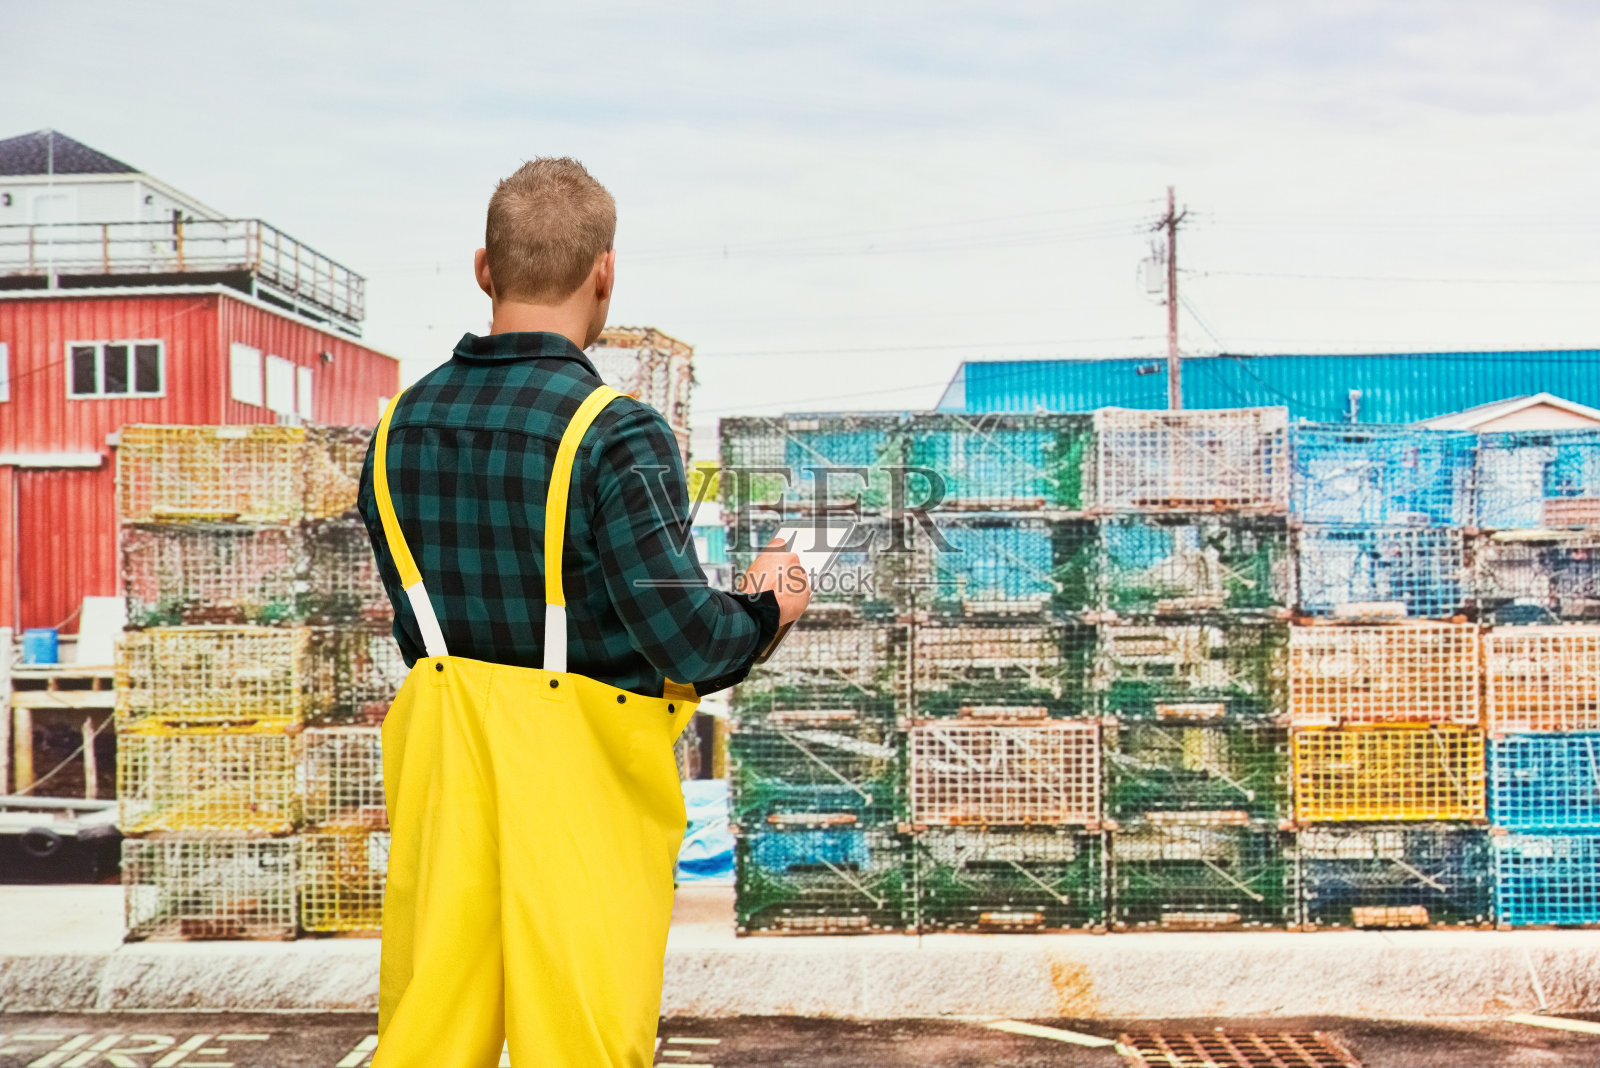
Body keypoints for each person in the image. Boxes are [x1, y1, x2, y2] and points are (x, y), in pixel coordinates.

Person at [358, 157, 810, 1068]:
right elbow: (694, 642)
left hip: (443, 773)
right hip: (578, 786)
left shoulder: (396, 424)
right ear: (605, 272)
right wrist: (774, 597)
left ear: (485, 269)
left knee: (427, 1037)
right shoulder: (616, 430)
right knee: (582, 1042)